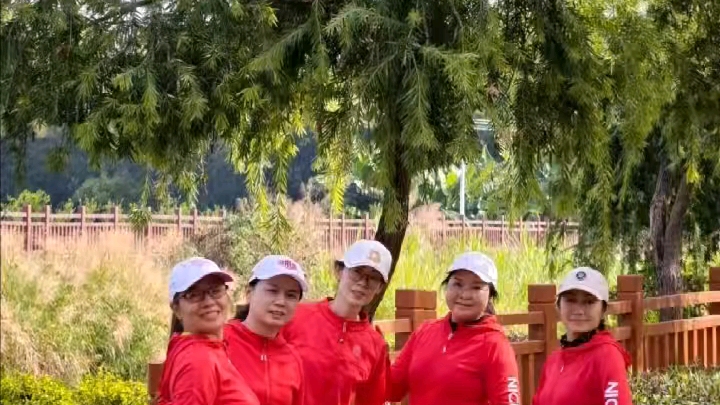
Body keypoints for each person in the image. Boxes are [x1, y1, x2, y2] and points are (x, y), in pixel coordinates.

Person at [387, 252, 521, 405]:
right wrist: (374, 356)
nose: (465, 295)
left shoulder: (495, 345)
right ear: (447, 286)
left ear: (490, 295)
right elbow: (392, 389)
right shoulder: (425, 331)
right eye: (458, 284)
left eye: (476, 287)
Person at [280, 239, 391, 405]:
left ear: (380, 288)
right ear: (339, 271)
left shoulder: (375, 345)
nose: (363, 283)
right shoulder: (297, 316)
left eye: (373, 278)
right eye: (357, 272)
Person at [158, 257, 260, 405]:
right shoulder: (198, 360)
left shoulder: (207, 348)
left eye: (215, 291)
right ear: (176, 308)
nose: (209, 301)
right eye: (194, 294)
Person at [532, 267, 632, 405]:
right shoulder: (553, 361)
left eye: (589, 302)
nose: (579, 311)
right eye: (571, 300)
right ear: (558, 306)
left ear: (603, 310)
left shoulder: (607, 355)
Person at [224, 255, 308, 405]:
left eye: (291, 295)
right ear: (249, 293)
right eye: (272, 291)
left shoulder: (293, 360)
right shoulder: (220, 341)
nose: (281, 302)